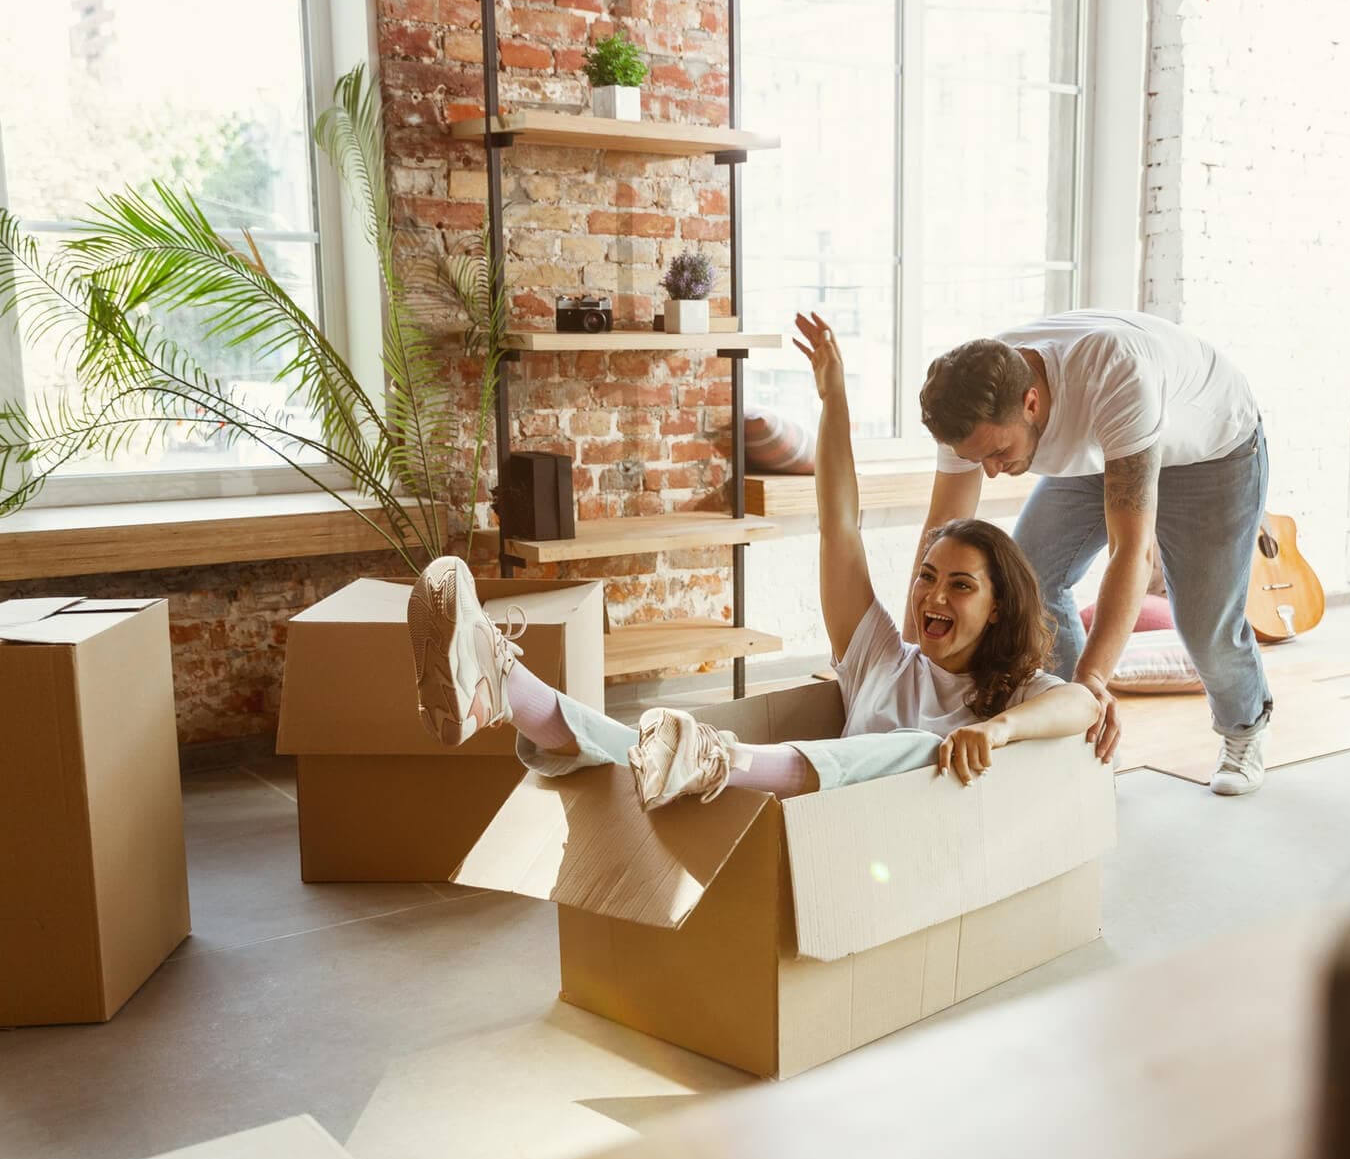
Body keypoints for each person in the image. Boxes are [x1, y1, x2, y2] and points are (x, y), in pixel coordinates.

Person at [406, 313, 1102, 809]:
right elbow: (839, 526)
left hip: (897, 858)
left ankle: (686, 751)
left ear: (1000, 607)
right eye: (925, 576)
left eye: (959, 585)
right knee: (645, 747)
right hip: (808, 831)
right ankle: (502, 684)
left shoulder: (1012, 694)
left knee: (921, 748)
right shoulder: (880, 659)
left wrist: (997, 729)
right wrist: (834, 399)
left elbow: (1078, 702)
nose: (932, 596)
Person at [912, 309, 1271, 796]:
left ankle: (1243, 728)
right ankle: (1073, 733)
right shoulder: (969, 400)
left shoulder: (1114, 371)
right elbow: (941, 536)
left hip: (1211, 453)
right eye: (979, 460)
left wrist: (1093, 679)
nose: (991, 472)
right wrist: (913, 656)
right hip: (1107, 447)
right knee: (1030, 577)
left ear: (1031, 402)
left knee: (1204, 621)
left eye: (998, 453)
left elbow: (1131, 552)